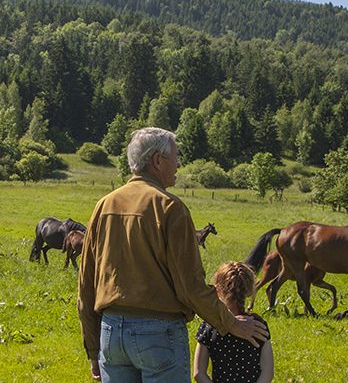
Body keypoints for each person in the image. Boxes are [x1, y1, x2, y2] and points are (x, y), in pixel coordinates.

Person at [78, 127, 268, 381]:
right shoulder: (170, 207)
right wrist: (233, 324)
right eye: (175, 157)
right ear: (157, 160)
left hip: (111, 334)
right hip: (158, 335)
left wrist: (94, 350)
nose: (178, 164)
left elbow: (85, 286)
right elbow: (191, 286)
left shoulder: (103, 206)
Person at [193, 262, 274, 383]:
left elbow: (199, 373)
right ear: (249, 290)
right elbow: (268, 372)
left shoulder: (210, 325)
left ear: (218, 288)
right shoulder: (258, 325)